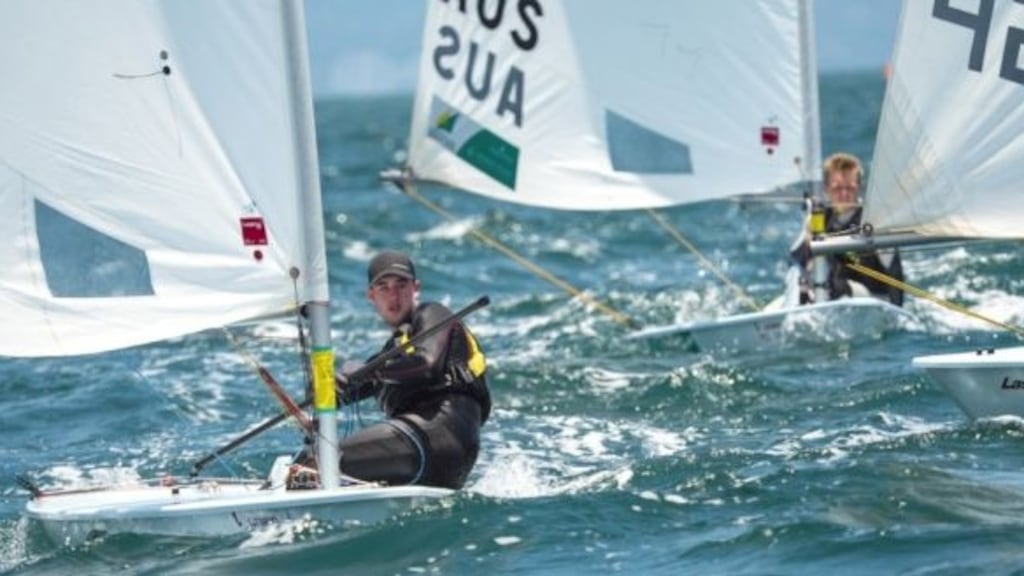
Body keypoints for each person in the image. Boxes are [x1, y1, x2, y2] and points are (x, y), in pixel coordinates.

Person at [300, 250, 491, 490]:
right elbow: (341, 395)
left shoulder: (434, 314)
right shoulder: (392, 354)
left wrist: (369, 371)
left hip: (441, 434)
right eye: (383, 287)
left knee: (317, 464)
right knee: (318, 469)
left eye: (402, 285)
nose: (394, 296)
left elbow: (427, 364)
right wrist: (321, 390)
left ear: (416, 288)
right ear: (371, 295)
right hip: (435, 457)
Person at [790, 152, 904, 306]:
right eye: (837, 188)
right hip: (831, 294)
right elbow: (795, 259)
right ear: (827, 189)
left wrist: (896, 313)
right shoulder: (818, 218)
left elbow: (895, 272)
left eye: (850, 188)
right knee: (803, 284)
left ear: (859, 188)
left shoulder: (874, 222)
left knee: (836, 286)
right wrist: (808, 241)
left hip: (873, 299)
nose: (844, 194)